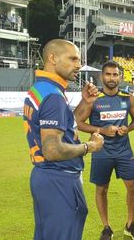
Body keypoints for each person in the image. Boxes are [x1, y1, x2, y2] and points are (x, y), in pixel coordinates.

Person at [23, 39, 104, 240]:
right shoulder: (53, 96)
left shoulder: (42, 88)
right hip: (59, 178)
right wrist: (89, 146)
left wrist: (86, 103)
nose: (78, 65)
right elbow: (52, 150)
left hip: (46, 177)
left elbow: (67, 126)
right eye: (73, 58)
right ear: (53, 58)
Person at [74, 61, 134, 240]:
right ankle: (106, 227)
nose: (112, 78)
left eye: (115, 75)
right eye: (108, 74)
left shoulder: (128, 98)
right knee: (101, 189)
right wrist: (102, 130)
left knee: (133, 186)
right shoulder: (95, 99)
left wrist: (128, 128)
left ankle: (130, 224)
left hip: (124, 151)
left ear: (120, 77)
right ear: (102, 76)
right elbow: (80, 123)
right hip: (102, 151)